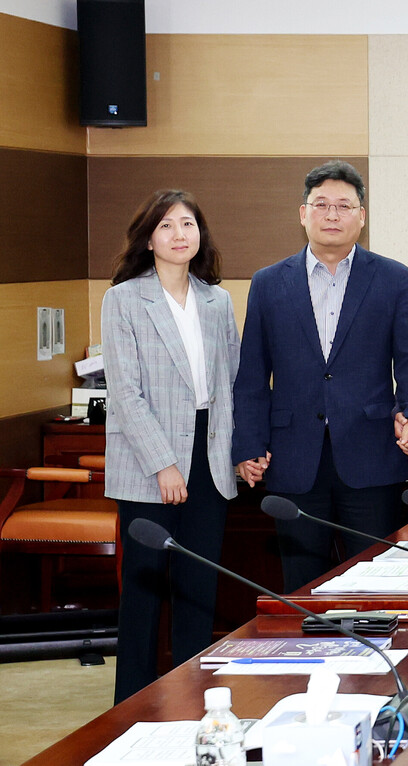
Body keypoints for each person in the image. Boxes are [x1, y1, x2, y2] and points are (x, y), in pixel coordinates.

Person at [233, 160, 408, 591]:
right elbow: (251, 374)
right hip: (292, 457)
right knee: (302, 586)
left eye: (343, 206)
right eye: (321, 204)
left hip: (371, 455)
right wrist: (248, 443)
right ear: (302, 213)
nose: (331, 214)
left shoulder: (393, 277)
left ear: (361, 217)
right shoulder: (269, 282)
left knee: (376, 583)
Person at [102, 190, 239, 702]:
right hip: (147, 460)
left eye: (187, 224)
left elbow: (231, 383)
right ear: (148, 239)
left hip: (209, 454)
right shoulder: (123, 299)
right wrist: (163, 463)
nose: (179, 234)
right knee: (143, 591)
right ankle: (130, 707)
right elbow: (125, 393)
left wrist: (240, 452)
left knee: (197, 588)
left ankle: (193, 701)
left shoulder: (217, 300)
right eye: (166, 225)